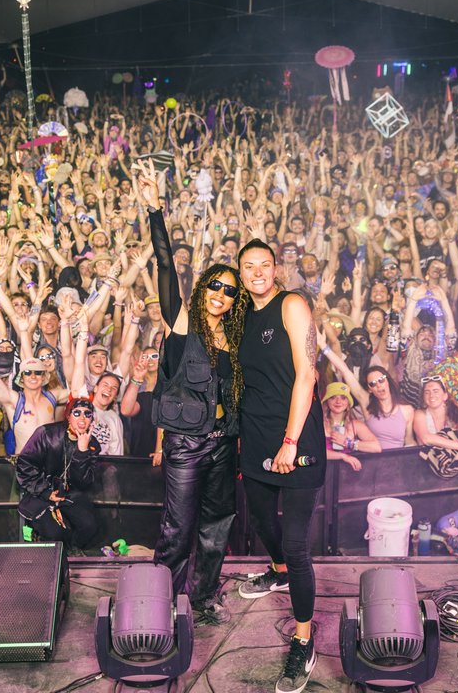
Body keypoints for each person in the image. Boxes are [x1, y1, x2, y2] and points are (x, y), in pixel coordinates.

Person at [137, 161, 246, 623]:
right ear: (202, 289)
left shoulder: (238, 339)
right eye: (215, 286)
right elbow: (165, 263)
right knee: (178, 526)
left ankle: (201, 598)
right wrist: (155, 211)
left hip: (225, 443)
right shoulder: (183, 323)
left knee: (217, 525)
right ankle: (163, 601)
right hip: (185, 443)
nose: (220, 293)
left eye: (229, 290)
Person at [235, 239, 326, 693]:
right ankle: (277, 572)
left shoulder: (291, 304)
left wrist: (290, 441)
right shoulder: (241, 317)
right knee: (261, 522)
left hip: (296, 439)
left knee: (295, 542)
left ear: (276, 268)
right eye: (248, 266)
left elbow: (306, 374)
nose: (257, 272)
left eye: (264, 265)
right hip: (254, 440)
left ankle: (304, 639)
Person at [15, 395, 101, 549]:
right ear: (68, 416)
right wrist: (45, 491)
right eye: (77, 413)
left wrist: (82, 451)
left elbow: (83, 483)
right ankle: (52, 553)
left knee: (89, 527)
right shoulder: (46, 434)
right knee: (55, 535)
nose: (82, 418)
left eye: (87, 414)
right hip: (39, 493)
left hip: (68, 495)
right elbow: (24, 464)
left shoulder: (92, 444)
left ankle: (70, 552)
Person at [320, 382, 380, 472]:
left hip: (347, 477)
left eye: (343, 398)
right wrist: (343, 456)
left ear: (348, 402)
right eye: (333, 397)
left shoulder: (355, 425)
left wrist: (348, 443)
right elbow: (314, 452)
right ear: (327, 401)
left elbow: (376, 447)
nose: (338, 401)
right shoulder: (318, 424)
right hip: (324, 475)